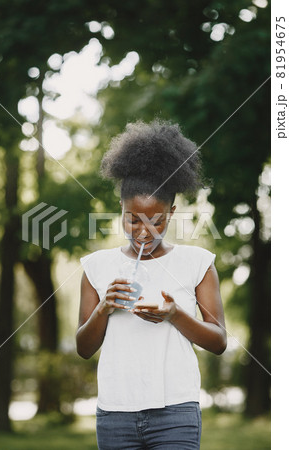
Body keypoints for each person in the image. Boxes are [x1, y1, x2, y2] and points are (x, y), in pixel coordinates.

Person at [76, 119, 227, 450]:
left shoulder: (198, 263)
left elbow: (218, 342)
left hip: (176, 412)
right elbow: (84, 348)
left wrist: (175, 315)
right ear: (121, 210)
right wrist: (104, 309)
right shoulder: (96, 267)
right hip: (115, 413)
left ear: (171, 213)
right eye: (133, 219)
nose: (143, 231)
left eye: (155, 221)